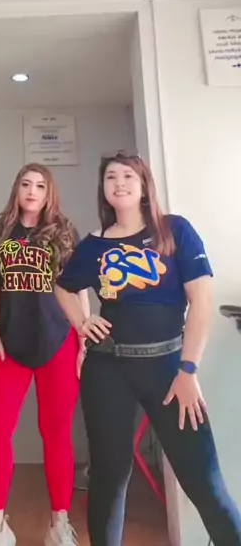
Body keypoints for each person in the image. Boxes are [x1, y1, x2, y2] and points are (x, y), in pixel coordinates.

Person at [55, 151, 241, 546]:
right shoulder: (94, 244)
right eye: (111, 177)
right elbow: (63, 286)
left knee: (203, 479)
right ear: (103, 189)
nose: (119, 183)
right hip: (107, 370)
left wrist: (188, 370)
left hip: (169, 371)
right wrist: (82, 322)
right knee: (109, 478)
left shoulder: (174, 230)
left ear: (143, 186)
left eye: (128, 175)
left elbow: (201, 302)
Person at [0, 163, 88, 546]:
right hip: (9, 343)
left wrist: (84, 337)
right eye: (26, 183)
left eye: (40, 185)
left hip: (59, 342)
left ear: (48, 192)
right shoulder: (1, 231)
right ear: (17, 189)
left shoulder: (63, 231)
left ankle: (59, 525)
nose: (32, 190)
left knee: (56, 433)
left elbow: (78, 288)